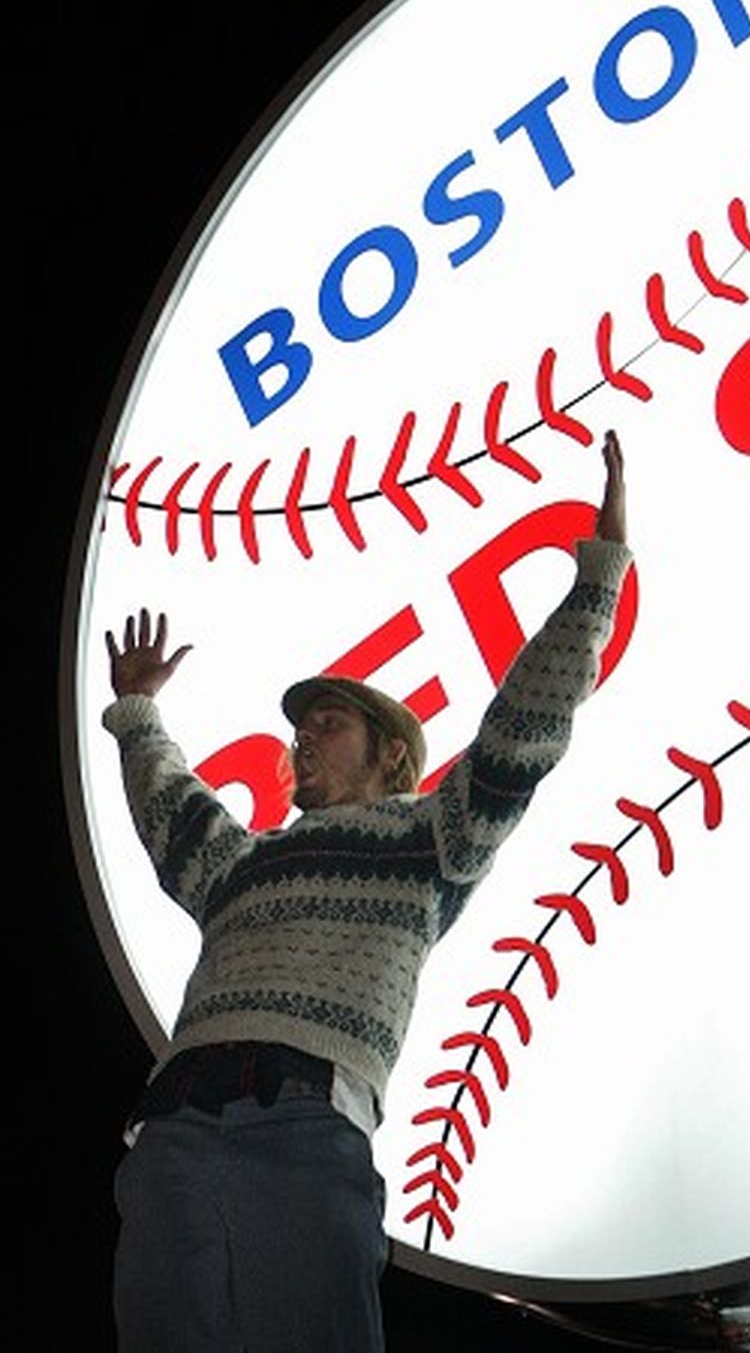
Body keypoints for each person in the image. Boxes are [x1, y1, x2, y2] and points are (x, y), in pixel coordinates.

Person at [103, 431, 631, 1353]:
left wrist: (597, 580)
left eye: (328, 723)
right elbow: (168, 803)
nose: (304, 738)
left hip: (305, 1124)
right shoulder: (241, 862)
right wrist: (139, 711)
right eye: (301, 728)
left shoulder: (433, 837)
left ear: (390, 750)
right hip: (173, 1132)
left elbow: (521, 728)